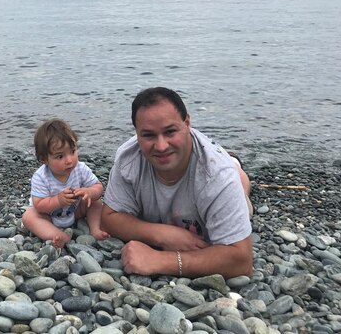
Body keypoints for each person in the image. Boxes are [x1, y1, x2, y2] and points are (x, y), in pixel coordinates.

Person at [101, 87, 253, 278]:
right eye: (148, 135)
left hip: (220, 173)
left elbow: (242, 262)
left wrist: (161, 260)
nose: (161, 146)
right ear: (137, 133)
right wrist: (163, 234)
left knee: (240, 192)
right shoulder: (129, 158)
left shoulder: (217, 175)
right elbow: (108, 218)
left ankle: (237, 171)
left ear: (187, 122)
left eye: (170, 131)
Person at [22, 119, 110, 248]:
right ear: (44, 159)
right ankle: (57, 235)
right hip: (49, 216)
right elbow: (39, 205)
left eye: (73, 151)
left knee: (96, 202)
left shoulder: (80, 168)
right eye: (60, 156)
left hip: (75, 210)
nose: (69, 160)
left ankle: (95, 229)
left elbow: (98, 187)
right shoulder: (41, 177)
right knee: (28, 217)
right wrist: (58, 201)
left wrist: (89, 192)